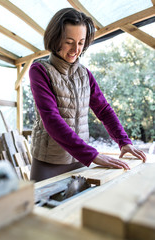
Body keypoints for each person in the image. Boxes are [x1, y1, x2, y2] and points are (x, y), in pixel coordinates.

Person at [29, 8, 146, 182]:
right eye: (69, 41)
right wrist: (93, 155)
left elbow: (104, 110)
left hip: (80, 160)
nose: (75, 49)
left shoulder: (85, 74)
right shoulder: (39, 70)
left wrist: (124, 142)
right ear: (55, 38)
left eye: (81, 42)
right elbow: (51, 119)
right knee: (40, 209)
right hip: (48, 162)